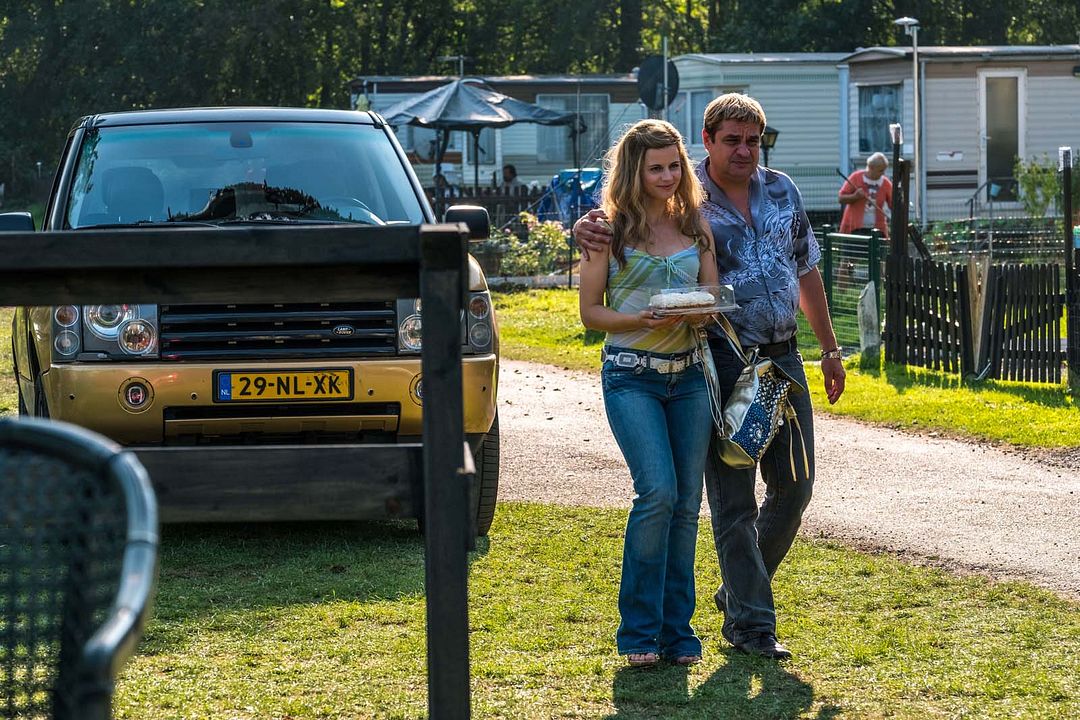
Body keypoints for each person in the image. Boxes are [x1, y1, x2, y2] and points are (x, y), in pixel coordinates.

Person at [574, 93, 845, 661]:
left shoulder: (776, 191)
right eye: (733, 140)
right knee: (725, 497)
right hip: (719, 360)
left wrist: (830, 348)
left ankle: (737, 593)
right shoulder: (680, 194)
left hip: (780, 359)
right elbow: (609, 241)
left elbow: (805, 267)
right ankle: (748, 624)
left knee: (794, 485)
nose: (745, 150)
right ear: (709, 140)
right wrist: (588, 229)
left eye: (753, 140)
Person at [578, 119, 718, 668]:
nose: (665, 175)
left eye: (673, 165)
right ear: (633, 171)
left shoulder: (694, 224)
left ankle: (677, 633)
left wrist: (704, 308)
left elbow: (711, 291)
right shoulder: (605, 231)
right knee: (657, 493)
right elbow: (590, 313)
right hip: (631, 373)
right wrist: (640, 317)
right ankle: (636, 631)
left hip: (688, 377)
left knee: (687, 505)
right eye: (654, 167)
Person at [839, 152, 892, 237]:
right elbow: (841, 198)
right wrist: (855, 196)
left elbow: (893, 204)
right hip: (855, 229)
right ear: (871, 167)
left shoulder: (886, 183)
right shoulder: (855, 177)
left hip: (878, 230)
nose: (883, 173)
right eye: (880, 170)